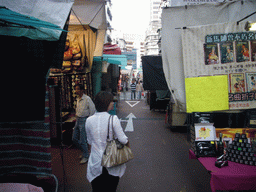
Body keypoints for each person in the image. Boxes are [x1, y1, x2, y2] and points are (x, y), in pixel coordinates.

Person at [85, 91, 129, 192]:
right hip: (111, 161)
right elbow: (123, 139)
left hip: (95, 162)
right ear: (107, 104)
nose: (113, 103)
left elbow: (90, 141)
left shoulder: (89, 120)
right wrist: (127, 144)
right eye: (111, 101)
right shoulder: (113, 119)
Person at [72, 84, 96, 164]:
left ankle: (86, 155)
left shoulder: (87, 99)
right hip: (78, 119)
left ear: (82, 90)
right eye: (76, 89)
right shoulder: (78, 99)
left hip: (84, 120)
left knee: (83, 140)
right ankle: (84, 151)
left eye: (78, 89)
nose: (76, 91)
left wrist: (88, 120)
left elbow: (92, 110)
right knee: (74, 138)